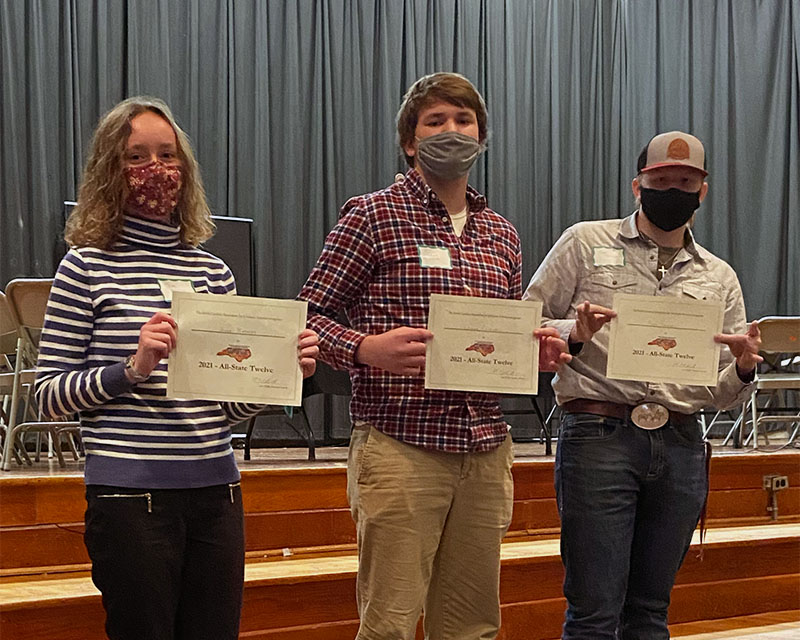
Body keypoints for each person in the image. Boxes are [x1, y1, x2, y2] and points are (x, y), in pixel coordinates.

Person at [34, 96, 319, 640]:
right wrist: (132, 367)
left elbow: (225, 407)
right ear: (109, 171)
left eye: (167, 155)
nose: (156, 170)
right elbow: (48, 396)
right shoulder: (85, 265)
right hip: (129, 500)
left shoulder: (212, 270)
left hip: (218, 494)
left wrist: (281, 375)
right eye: (136, 157)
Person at [298, 72, 570, 639]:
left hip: (484, 448)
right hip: (401, 445)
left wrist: (533, 354)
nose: (452, 130)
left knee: (472, 626)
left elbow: (499, 336)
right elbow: (304, 318)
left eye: (464, 120)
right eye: (436, 121)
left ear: (482, 136)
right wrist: (365, 349)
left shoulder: (502, 234)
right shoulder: (371, 215)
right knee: (390, 625)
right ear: (410, 140)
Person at [523, 131, 762, 639]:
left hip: (680, 443)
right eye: (660, 180)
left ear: (702, 191)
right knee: (594, 613)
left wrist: (742, 368)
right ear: (637, 185)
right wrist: (576, 333)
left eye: (685, 181)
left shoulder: (720, 278)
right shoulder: (585, 242)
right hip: (599, 436)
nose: (671, 189)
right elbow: (528, 323)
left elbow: (719, 391)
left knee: (651, 611)